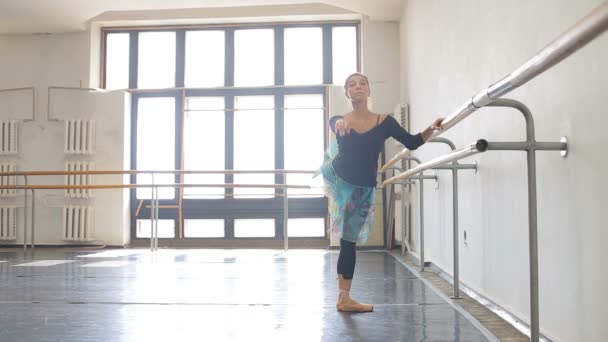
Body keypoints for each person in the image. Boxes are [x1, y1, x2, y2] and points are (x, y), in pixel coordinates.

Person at [319, 72, 444, 312]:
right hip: (340, 178)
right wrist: (339, 123)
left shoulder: (385, 121)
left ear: (368, 91)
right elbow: (334, 123)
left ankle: (344, 298)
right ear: (347, 93)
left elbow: (412, 141)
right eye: (352, 85)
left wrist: (432, 128)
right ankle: (344, 297)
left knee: (348, 240)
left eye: (362, 83)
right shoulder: (339, 118)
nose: (357, 87)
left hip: (364, 186)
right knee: (346, 235)